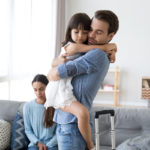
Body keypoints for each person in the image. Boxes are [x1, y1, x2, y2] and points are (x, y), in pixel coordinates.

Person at [48, 10, 119, 150]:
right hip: (68, 123)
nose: (91, 35)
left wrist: (50, 73)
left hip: (72, 126)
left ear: (110, 35)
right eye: (90, 29)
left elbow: (56, 74)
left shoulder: (97, 54)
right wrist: (110, 47)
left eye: (98, 32)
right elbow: (70, 48)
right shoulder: (91, 49)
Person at [23, 74, 58, 150]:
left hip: (52, 145)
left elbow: (59, 130)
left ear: (48, 88)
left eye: (41, 89)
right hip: (35, 144)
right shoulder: (27, 106)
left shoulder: (56, 106)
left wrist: (49, 145)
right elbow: (28, 130)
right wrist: (38, 143)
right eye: (35, 90)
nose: (38, 93)